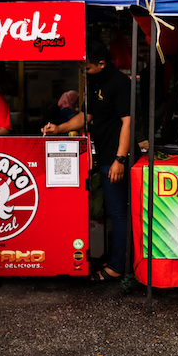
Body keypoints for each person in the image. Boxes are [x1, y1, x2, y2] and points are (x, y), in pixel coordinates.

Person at [43, 44, 131, 282]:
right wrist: (58, 129)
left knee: (118, 213)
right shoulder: (95, 82)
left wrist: (120, 159)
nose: (84, 70)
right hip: (101, 154)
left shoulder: (120, 83)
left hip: (115, 157)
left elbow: (127, 122)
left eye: (88, 66)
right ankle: (116, 259)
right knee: (112, 213)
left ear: (102, 63)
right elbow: (87, 116)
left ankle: (118, 267)